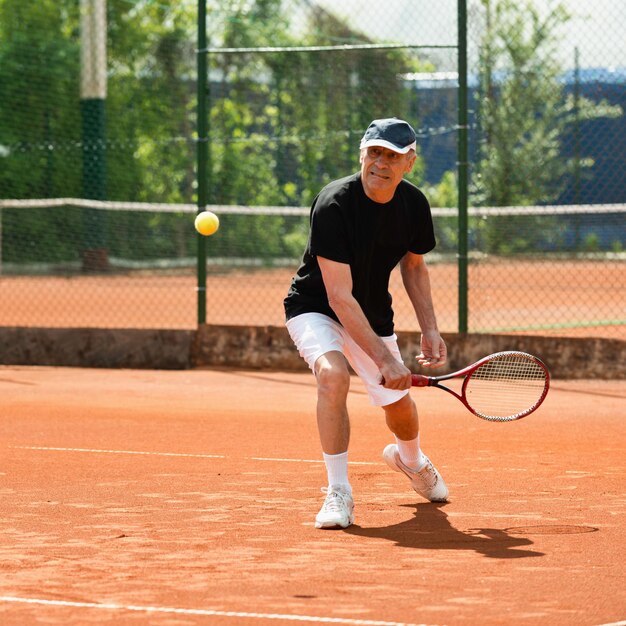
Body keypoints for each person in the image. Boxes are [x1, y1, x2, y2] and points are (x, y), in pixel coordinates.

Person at [284, 117, 448, 530]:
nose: (380, 163)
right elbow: (338, 296)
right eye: (374, 152)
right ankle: (338, 491)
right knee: (333, 376)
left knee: (400, 410)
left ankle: (410, 462)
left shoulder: (414, 205)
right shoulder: (334, 203)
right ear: (362, 153)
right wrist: (385, 361)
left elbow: (414, 267)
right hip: (316, 306)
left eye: (391, 156)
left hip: (372, 315)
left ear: (409, 162)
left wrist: (430, 327)